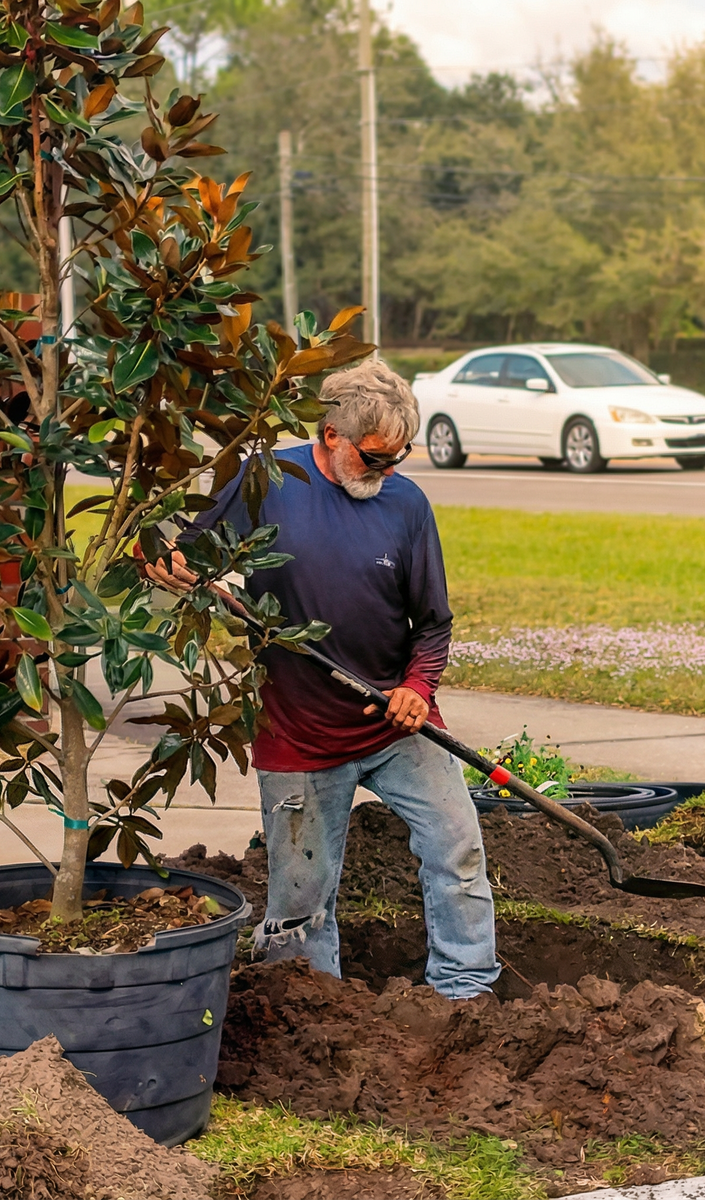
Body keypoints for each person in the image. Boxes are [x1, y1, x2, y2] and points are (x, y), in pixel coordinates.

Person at [151, 359, 499, 1000]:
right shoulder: (265, 482)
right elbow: (183, 555)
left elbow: (433, 624)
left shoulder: (407, 505)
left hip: (396, 724)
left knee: (459, 849)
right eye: (375, 458)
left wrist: (416, 691)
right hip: (300, 734)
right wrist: (172, 568)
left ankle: (467, 989)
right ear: (331, 433)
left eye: (400, 457)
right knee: (299, 894)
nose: (388, 471)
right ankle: (311, 1006)